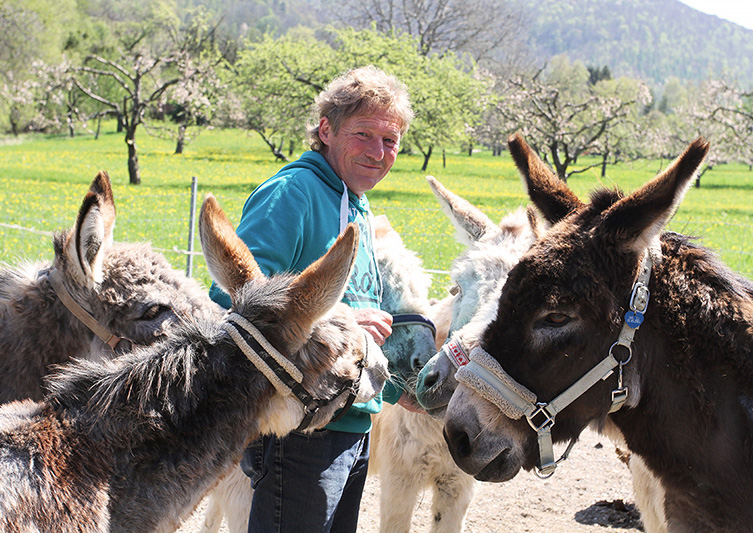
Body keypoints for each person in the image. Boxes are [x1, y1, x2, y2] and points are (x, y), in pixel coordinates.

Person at [208, 65, 416, 532]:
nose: (379, 152)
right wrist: (339, 321)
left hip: (351, 420)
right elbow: (235, 300)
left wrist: (403, 390)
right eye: (364, 134)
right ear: (326, 129)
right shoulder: (293, 193)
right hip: (297, 428)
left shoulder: (354, 202)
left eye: (391, 141)